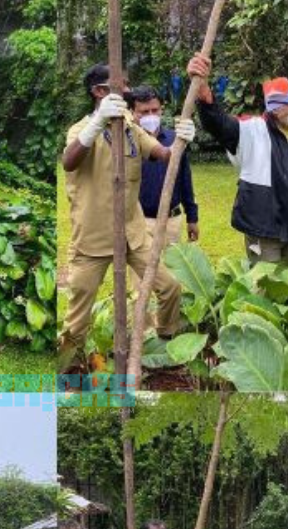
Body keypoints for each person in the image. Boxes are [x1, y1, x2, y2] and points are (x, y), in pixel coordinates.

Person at [59, 64, 195, 371]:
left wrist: (182, 141)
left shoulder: (131, 128)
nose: (129, 90)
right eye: (122, 86)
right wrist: (98, 122)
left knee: (170, 286)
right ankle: (70, 367)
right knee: (77, 318)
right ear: (99, 92)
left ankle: (163, 342)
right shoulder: (81, 129)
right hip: (91, 241)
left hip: (132, 235)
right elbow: (69, 160)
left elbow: (164, 154)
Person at [186, 53, 288, 267]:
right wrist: (203, 88)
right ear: (273, 109)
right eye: (286, 105)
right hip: (263, 230)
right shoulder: (252, 131)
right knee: (264, 288)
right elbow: (219, 124)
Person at [128, 85, 200, 247]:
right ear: (132, 113)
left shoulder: (175, 139)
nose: (151, 116)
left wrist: (192, 217)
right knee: (141, 272)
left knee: (170, 270)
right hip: (140, 222)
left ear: (162, 110)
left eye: (155, 110)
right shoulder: (127, 143)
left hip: (171, 221)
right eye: (144, 112)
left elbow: (185, 180)